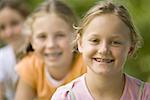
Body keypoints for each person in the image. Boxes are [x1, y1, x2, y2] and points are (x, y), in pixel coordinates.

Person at [51, 1, 150, 100]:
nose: (103, 50)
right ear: (80, 43)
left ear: (130, 48)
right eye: (95, 40)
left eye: (115, 42)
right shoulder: (65, 97)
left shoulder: (144, 95)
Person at [15, 0, 86, 100]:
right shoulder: (31, 67)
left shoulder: (85, 65)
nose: (51, 45)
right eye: (42, 37)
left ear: (75, 37)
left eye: (60, 35)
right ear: (31, 40)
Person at [0, 0, 30, 99]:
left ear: (27, 20)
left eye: (14, 23)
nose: (9, 32)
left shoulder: (44, 51)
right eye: (2, 28)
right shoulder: (2, 57)